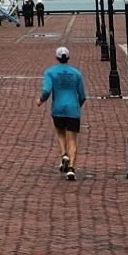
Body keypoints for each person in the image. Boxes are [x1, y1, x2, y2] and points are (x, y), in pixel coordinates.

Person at [37, 45, 86, 180]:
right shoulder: (76, 73)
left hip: (58, 108)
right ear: (68, 58)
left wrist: (41, 100)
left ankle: (64, 154)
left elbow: (47, 90)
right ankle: (71, 168)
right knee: (73, 140)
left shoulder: (50, 72)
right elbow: (82, 95)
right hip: (73, 109)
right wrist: (77, 106)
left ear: (57, 58)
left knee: (60, 133)